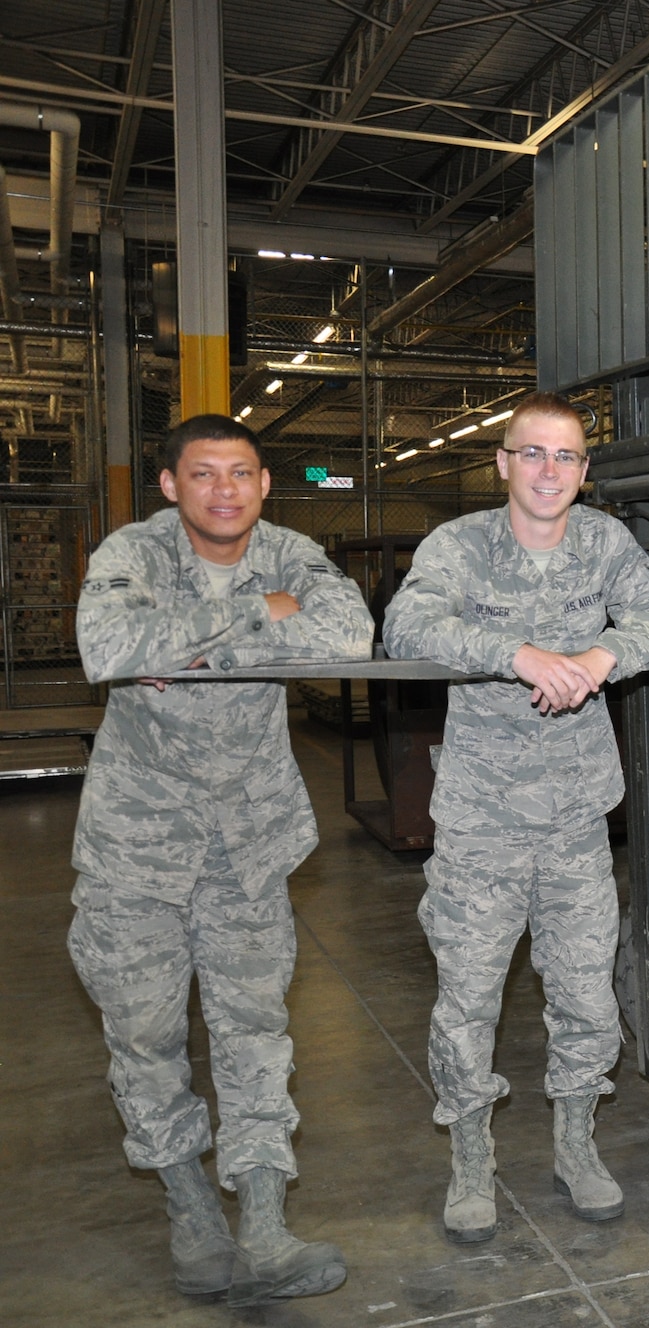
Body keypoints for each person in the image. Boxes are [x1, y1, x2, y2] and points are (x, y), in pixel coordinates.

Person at [69, 414, 372, 1306]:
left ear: (265, 483)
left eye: (241, 474)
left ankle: (267, 1222)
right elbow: (108, 648)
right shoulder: (133, 554)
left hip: (248, 844)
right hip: (138, 849)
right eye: (203, 475)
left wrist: (187, 639)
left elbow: (349, 635)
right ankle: (192, 1213)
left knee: (254, 1032)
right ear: (171, 485)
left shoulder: (292, 552)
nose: (225, 491)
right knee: (146, 1035)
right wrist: (255, 615)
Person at [382, 393, 649, 1245]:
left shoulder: (604, 545)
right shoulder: (460, 546)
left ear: (585, 474)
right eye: (533, 454)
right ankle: (471, 1159)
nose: (549, 471)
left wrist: (598, 656)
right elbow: (407, 623)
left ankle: (575, 1144)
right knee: (469, 997)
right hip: (481, 819)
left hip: (576, 819)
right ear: (504, 463)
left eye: (566, 458)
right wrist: (519, 655)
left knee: (587, 993)